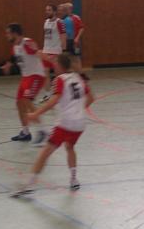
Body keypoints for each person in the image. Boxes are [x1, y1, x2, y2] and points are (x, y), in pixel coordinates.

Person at [11, 52, 94, 197]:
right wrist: (78, 110)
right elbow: (91, 98)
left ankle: (29, 185)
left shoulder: (60, 79)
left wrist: (36, 114)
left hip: (65, 123)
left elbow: (53, 100)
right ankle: (74, 179)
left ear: (61, 66)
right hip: (80, 124)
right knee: (70, 147)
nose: (53, 66)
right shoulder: (78, 78)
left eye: (55, 63)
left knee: (45, 153)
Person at [2, 23, 47, 144]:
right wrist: (8, 65)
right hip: (26, 77)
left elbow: (38, 53)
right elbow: (14, 58)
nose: (6, 35)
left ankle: (42, 130)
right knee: (19, 103)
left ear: (15, 33)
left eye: (8, 33)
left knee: (27, 100)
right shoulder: (15, 46)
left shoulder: (27, 43)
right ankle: (25, 132)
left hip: (36, 75)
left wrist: (53, 61)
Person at [40, 4, 66, 102]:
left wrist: (63, 50)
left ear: (54, 12)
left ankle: (60, 94)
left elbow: (63, 36)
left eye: (49, 10)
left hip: (56, 52)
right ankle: (47, 94)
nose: (47, 12)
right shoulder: (46, 22)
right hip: (46, 51)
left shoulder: (59, 22)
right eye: (46, 10)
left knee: (58, 75)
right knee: (45, 73)